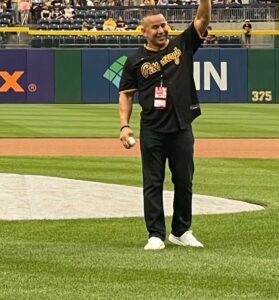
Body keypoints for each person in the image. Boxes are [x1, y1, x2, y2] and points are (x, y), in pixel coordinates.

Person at [118, 4, 211, 250]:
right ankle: (156, 235)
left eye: (163, 24)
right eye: (155, 27)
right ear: (143, 31)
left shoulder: (182, 45)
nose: (161, 30)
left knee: (184, 181)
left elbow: (202, 18)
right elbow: (126, 95)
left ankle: (181, 231)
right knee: (153, 183)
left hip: (181, 127)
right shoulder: (135, 61)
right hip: (152, 129)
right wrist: (124, 126)